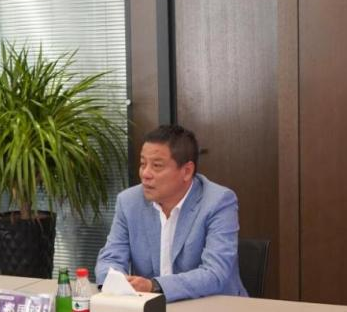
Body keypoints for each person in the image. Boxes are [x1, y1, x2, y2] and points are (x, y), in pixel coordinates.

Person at [95, 124, 246, 302]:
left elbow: (214, 273)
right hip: (150, 309)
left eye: (157, 166)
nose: (145, 174)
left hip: (216, 308)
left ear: (186, 171)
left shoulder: (218, 202)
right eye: (143, 164)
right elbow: (110, 258)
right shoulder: (129, 202)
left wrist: (154, 286)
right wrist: (116, 282)